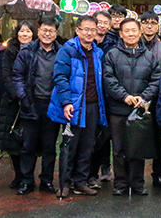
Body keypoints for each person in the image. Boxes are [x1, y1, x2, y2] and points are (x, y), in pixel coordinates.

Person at [49, 15, 108, 197]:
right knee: (69, 145)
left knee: (87, 145)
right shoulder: (68, 51)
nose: (90, 33)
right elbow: (60, 77)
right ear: (77, 30)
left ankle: (80, 181)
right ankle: (64, 183)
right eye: (86, 29)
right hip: (73, 106)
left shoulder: (98, 53)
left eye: (93, 29)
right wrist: (66, 102)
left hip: (93, 106)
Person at [102, 18, 161, 196]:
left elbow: (156, 79)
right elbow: (108, 79)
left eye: (134, 30)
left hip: (140, 109)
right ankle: (120, 183)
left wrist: (143, 98)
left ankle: (137, 183)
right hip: (118, 109)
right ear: (121, 34)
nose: (130, 34)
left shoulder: (150, 56)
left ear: (140, 32)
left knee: (137, 148)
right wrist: (124, 96)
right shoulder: (112, 55)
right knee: (119, 148)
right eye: (126, 31)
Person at [12, 16, 62, 195]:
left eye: (51, 31)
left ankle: (46, 181)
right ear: (38, 31)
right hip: (31, 103)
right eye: (44, 30)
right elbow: (17, 76)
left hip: (53, 105)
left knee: (50, 146)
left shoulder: (61, 53)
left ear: (56, 33)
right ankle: (27, 181)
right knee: (28, 145)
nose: (47, 34)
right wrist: (23, 97)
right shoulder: (27, 52)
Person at [0, 21, 35, 189]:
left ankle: (28, 176)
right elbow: (6, 75)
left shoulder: (37, 50)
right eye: (21, 31)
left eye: (28, 31)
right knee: (12, 140)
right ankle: (18, 174)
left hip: (32, 101)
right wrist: (16, 95)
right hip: (12, 102)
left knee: (30, 140)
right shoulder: (9, 51)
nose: (24, 34)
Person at [139, 11, 161, 189]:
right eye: (145, 23)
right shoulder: (133, 44)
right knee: (137, 138)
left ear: (158, 25)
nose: (149, 26)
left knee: (159, 141)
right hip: (138, 99)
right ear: (141, 25)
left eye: (152, 23)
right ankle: (137, 177)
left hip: (159, 100)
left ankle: (158, 174)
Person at [89, 9, 116, 186]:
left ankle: (102, 168)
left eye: (106, 23)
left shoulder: (114, 45)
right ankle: (86, 174)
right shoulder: (83, 43)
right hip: (88, 97)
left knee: (104, 136)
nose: (103, 26)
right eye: (99, 22)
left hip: (108, 96)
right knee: (88, 137)